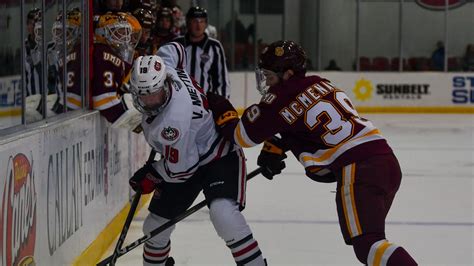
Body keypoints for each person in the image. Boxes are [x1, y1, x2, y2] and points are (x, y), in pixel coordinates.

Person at [207, 40, 418, 266]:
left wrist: (220, 106)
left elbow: (241, 136)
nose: (267, 82)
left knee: (368, 244)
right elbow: (308, 125)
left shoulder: (279, 97)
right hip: (385, 160)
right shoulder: (320, 83)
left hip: (358, 169)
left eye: (269, 76)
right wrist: (280, 143)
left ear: (287, 73)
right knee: (375, 246)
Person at [127, 53, 267, 266]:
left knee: (224, 215)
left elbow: (183, 169)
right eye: (144, 96)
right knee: (154, 228)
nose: (150, 102)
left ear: (165, 85)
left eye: (154, 94)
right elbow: (176, 49)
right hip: (185, 155)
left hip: (218, 156)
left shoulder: (172, 122)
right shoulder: (168, 65)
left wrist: (154, 173)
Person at [92, 12, 142, 131]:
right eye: (119, 32)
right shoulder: (103, 55)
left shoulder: (110, 54)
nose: (126, 38)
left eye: (126, 32)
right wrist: (132, 123)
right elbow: (104, 101)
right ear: (103, 33)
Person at [174, 6, 231, 98]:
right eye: (195, 21)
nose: (199, 25)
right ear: (188, 23)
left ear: (206, 24)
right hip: (179, 101)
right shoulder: (177, 44)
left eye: (202, 21)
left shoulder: (214, 47)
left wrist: (221, 104)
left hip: (204, 104)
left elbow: (222, 80)